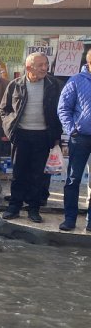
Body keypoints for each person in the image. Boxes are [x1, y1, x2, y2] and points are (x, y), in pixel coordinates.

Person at [0, 52, 62, 223]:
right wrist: (9, 128)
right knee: (19, 173)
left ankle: (33, 209)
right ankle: (15, 206)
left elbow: (60, 111)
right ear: (28, 68)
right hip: (21, 135)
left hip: (43, 136)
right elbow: (4, 109)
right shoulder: (15, 85)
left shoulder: (54, 85)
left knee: (38, 175)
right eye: (40, 65)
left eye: (46, 64)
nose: (44, 68)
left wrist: (57, 136)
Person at [57, 50, 91, 231]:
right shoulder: (76, 80)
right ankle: (69, 219)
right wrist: (72, 130)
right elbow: (63, 108)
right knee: (73, 179)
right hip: (81, 138)